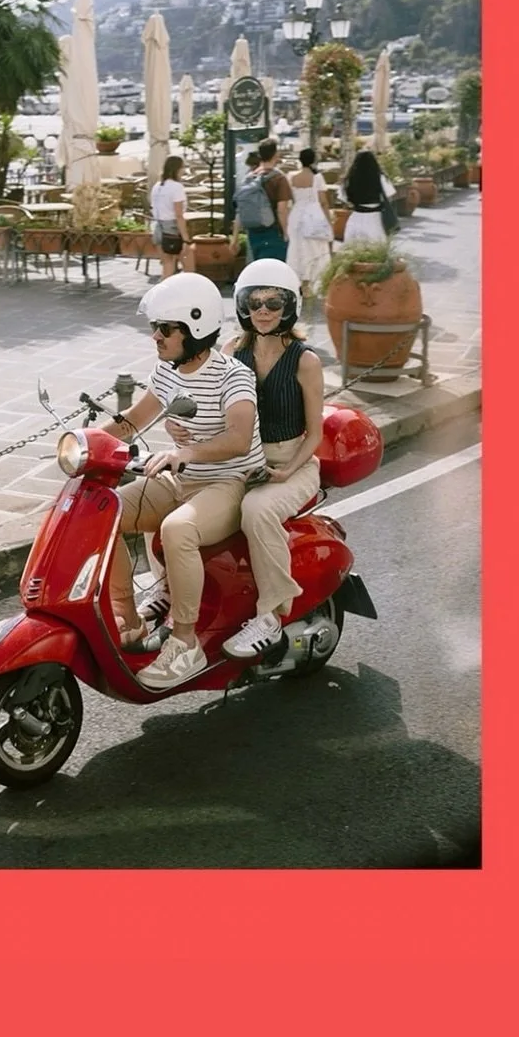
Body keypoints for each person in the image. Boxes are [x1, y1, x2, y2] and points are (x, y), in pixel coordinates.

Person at [99, 273, 265, 689]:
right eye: (155, 326)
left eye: (165, 329)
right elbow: (132, 421)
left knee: (177, 529)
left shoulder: (233, 376)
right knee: (106, 510)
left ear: (195, 326)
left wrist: (185, 453)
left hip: (228, 483)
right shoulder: (167, 370)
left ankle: (185, 643)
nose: (155, 335)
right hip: (180, 478)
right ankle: (129, 619)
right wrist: (83, 445)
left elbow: (239, 437)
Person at [208, 259, 327, 660]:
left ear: (289, 306)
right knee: (172, 496)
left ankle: (271, 615)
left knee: (256, 511)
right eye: (253, 301)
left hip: (294, 462)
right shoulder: (230, 352)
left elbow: (316, 433)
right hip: (243, 459)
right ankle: (165, 589)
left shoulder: (305, 360)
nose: (262, 310)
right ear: (241, 305)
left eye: (273, 302)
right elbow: (215, 414)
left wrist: (288, 471)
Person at [285, 145, 334, 309]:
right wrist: (328, 221)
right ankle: (311, 284)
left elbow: (289, 200)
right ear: (313, 160)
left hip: (297, 215)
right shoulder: (317, 178)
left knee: (297, 250)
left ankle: (301, 284)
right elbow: (324, 202)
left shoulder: (291, 176)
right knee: (316, 250)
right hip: (313, 215)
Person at [235, 136, 292, 263]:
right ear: (275, 154)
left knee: (258, 269)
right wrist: (286, 233)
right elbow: (282, 210)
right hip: (273, 231)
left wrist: (235, 238)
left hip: (253, 231)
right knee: (274, 271)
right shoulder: (279, 178)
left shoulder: (249, 177)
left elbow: (240, 209)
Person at [149, 155, 192, 277]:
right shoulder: (176, 187)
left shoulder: (157, 186)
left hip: (158, 226)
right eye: (183, 167)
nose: (184, 170)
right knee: (188, 265)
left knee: (167, 264)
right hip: (171, 227)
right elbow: (178, 215)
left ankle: (164, 291)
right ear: (177, 169)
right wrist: (185, 239)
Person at [340, 148, 393, 243]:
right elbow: (390, 194)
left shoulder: (349, 179)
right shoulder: (380, 178)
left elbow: (344, 198)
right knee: (376, 252)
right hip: (375, 220)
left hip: (356, 218)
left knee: (354, 252)